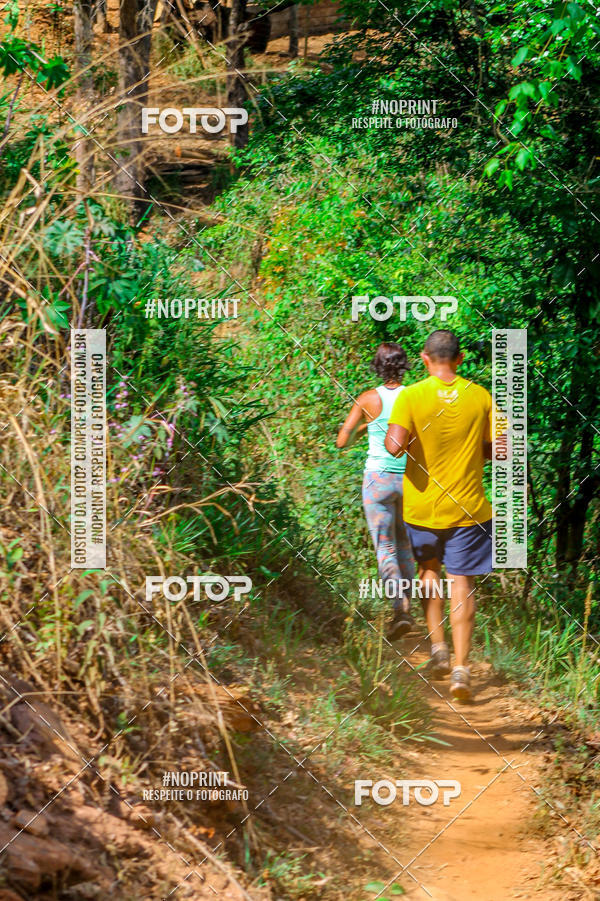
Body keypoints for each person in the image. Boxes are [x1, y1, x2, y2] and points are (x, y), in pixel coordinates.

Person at [384, 330, 493, 702]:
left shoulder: (411, 396)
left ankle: (439, 650)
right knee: (461, 582)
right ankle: (462, 669)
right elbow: (501, 448)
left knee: (430, 573)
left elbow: (394, 447)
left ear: (425, 358)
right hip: (469, 509)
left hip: (423, 509)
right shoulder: (480, 396)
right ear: (459, 360)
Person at [336, 343, 415, 640]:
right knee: (406, 545)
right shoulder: (413, 396)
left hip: (377, 480)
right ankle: (411, 608)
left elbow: (342, 441)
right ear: (404, 365)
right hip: (408, 479)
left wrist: (365, 428)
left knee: (385, 547)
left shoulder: (368, 399)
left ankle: (400, 610)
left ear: (378, 367)